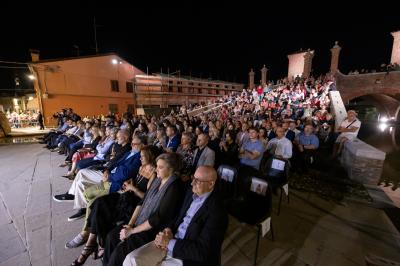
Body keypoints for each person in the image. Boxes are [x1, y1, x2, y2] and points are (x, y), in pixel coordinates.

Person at [122, 166, 228, 266]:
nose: (192, 183)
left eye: (197, 181)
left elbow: (203, 251)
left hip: (185, 256)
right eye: (193, 178)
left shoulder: (218, 212)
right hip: (168, 242)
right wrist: (168, 229)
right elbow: (176, 217)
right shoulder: (191, 194)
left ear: (211, 184)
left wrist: (169, 242)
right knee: (131, 260)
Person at [102, 153, 184, 266]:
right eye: (157, 166)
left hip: (153, 230)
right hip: (139, 222)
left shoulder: (174, 187)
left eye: (160, 167)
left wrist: (131, 232)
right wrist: (130, 225)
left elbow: (157, 218)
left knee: (120, 253)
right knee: (111, 237)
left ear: (171, 169)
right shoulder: (157, 180)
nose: (156, 170)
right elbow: (142, 202)